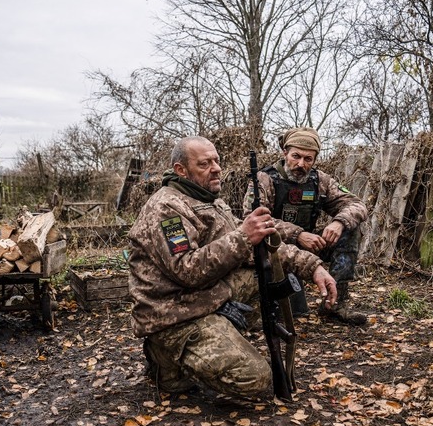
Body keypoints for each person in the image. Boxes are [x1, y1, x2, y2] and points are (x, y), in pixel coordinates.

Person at [127, 136, 337, 401]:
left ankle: (219, 332)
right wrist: (243, 236)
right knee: (256, 378)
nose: (216, 168)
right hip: (173, 315)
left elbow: (258, 247)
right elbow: (186, 269)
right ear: (181, 170)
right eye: (205, 163)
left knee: (266, 275)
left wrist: (313, 267)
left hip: (202, 298)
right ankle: (164, 357)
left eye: (216, 161)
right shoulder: (166, 209)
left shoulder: (208, 200)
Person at [243, 126, 368, 325]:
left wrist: (338, 222)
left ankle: (335, 304)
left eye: (308, 159)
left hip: (310, 245)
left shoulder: (320, 181)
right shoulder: (264, 179)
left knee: (350, 229)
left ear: (315, 159)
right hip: (275, 248)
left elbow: (357, 205)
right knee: (290, 314)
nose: (301, 164)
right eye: (296, 156)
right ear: (285, 153)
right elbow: (254, 219)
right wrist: (298, 234)